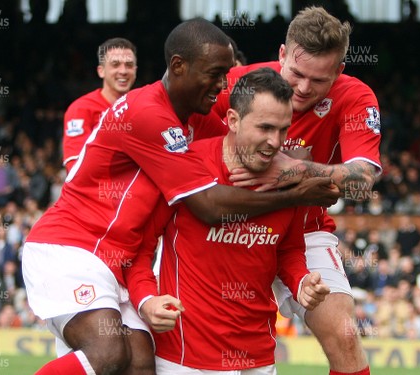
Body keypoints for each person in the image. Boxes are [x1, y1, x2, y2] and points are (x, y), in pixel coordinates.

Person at [22, 18, 340, 375]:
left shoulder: (197, 120)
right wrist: (295, 196)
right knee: (108, 352)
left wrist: (314, 175)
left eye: (226, 75)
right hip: (73, 246)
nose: (222, 85)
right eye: (215, 74)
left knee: (141, 361)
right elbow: (208, 205)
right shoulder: (147, 112)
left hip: (118, 259)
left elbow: (254, 151)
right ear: (178, 66)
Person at [212, 6, 380, 375]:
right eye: (297, 74)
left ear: (339, 70)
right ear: (282, 54)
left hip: (303, 231)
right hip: (230, 230)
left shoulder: (355, 98)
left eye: (319, 81)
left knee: (345, 333)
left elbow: (363, 178)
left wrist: (295, 169)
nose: (303, 88)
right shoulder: (240, 83)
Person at [152, 67, 330, 374]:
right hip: (186, 356)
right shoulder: (188, 165)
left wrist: (301, 282)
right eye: (264, 128)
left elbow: (288, 250)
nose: (275, 142)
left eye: (283, 129)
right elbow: (139, 245)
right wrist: (145, 300)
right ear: (233, 120)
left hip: (257, 355)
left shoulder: (290, 180)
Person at [62, 38, 138, 172]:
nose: (123, 71)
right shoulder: (81, 109)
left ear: (135, 70)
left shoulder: (143, 108)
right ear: (101, 71)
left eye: (129, 65)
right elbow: (76, 168)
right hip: (100, 191)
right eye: (115, 64)